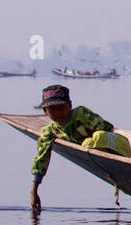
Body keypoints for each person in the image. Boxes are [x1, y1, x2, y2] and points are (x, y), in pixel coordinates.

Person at [29, 85, 114, 213]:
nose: (57, 113)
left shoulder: (81, 114)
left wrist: (91, 136)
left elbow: (107, 128)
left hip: (111, 148)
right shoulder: (50, 131)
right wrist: (33, 191)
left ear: (69, 105)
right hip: (89, 152)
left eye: (61, 107)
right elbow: (42, 159)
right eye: (52, 109)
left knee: (93, 139)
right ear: (45, 111)